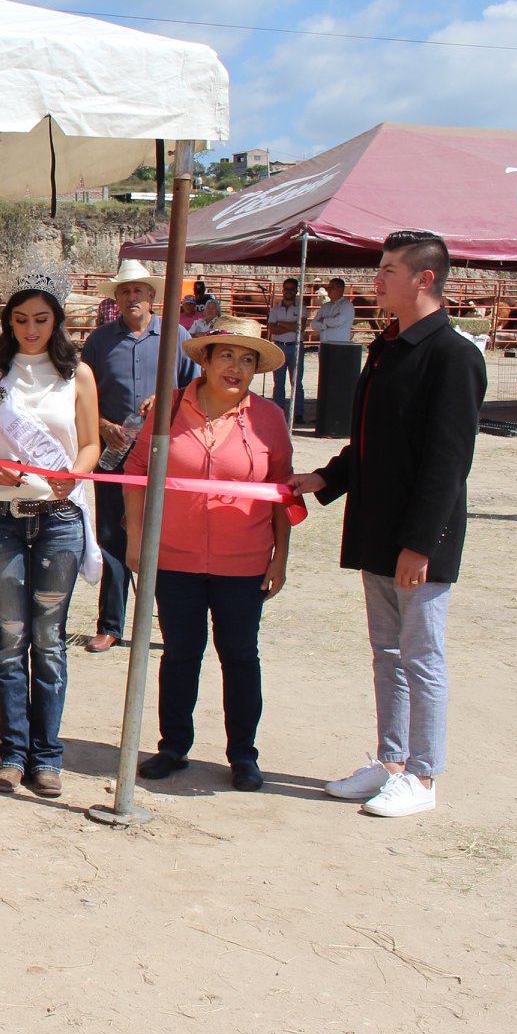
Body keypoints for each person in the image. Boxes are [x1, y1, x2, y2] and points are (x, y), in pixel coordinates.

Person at [289, 229, 484, 819]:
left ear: (425, 278)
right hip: (375, 527)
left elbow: (447, 461)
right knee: (387, 653)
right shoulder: (388, 346)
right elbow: (374, 443)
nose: (377, 279)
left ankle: (423, 776)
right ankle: (391, 761)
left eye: (389, 270)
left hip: (418, 539)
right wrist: (327, 478)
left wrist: (420, 543)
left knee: (421, 656)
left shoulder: (453, 356)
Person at [128, 317, 293, 793]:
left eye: (248, 359)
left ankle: (243, 755)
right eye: (227, 355)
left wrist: (280, 557)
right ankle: (173, 747)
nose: (236, 367)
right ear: (205, 359)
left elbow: (283, 490)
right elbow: (138, 470)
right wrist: (137, 539)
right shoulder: (169, 407)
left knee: (240, 655)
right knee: (181, 653)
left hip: (243, 561)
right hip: (174, 558)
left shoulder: (269, 418)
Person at [0, 270, 100, 799]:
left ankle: (48, 756)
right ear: (9, 323)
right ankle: (12, 754)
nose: (31, 328)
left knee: (50, 640)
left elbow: (89, 442)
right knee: (10, 637)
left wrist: (74, 474)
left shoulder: (78, 376)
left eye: (41, 319)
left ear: (57, 321)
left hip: (59, 518)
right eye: (20, 320)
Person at [80, 259, 195, 653]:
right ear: (117, 298)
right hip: (113, 454)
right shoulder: (98, 341)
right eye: (124, 291)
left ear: (152, 296)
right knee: (112, 536)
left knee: (165, 538)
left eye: (139, 290)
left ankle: (168, 623)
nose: (132, 297)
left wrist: (168, 399)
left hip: (164, 456)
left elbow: (196, 392)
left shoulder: (177, 336)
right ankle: (110, 624)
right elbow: (81, 397)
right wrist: (102, 425)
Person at [266, 277, 304, 422]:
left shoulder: (301, 308)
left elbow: (300, 328)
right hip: (279, 345)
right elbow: (272, 327)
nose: (287, 292)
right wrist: (291, 326)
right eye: (285, 289)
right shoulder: (275, 308)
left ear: (295, 291)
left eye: (290, 289)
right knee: (278, 382)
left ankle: (298, 413)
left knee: (296, 382)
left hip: (295, 346)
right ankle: (278, 411)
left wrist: (281, 324)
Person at [310, 277, 356, 345]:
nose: (329, 290)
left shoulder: (347, 305)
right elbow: (313, 324)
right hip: (324, 345)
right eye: (328, 288)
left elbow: (338, 321)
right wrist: (327, 324)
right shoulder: (325, 306)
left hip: (340, 346)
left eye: (332, 288)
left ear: (340, 289)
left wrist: (323, 320)